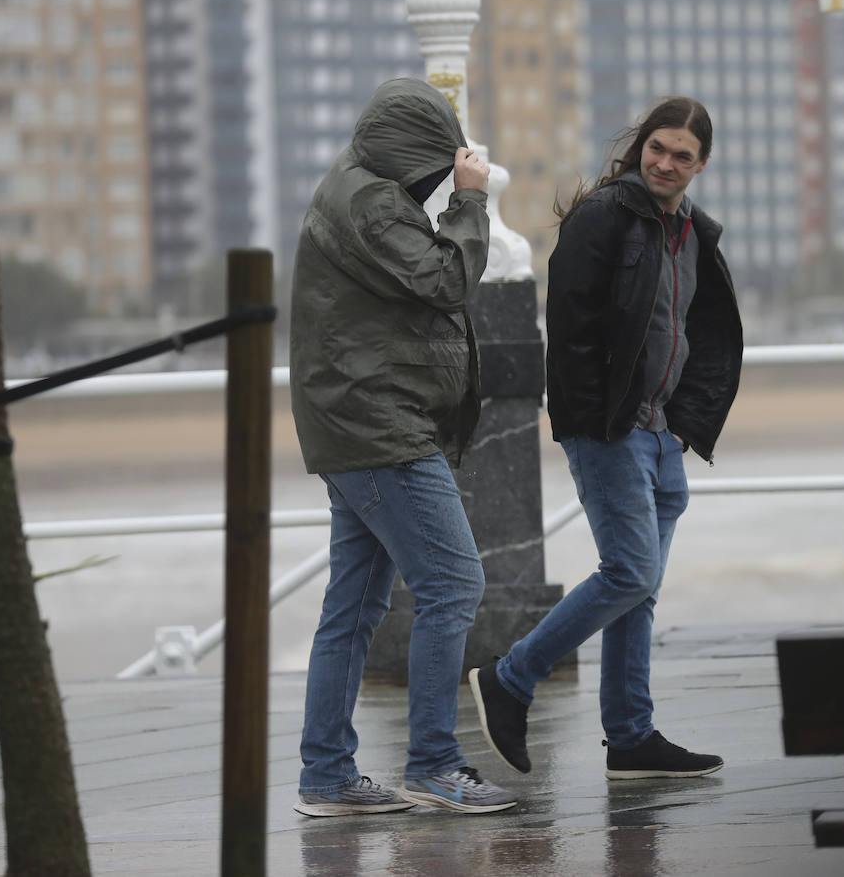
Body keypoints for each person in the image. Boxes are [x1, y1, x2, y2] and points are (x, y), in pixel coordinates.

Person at [469, 96, 743, 780]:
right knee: (628, 571)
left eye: (683, 155)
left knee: (639, 589)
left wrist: (684, 422)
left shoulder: (693, 235)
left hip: (661, 433)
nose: (667, 163)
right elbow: (570, 334)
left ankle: (630, 736)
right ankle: (510, 678)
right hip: (610, 430)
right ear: (640, 146)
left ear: (700, 164)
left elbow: (703, 333)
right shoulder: (604, 218)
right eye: (659, 148)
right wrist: (599, 423)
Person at [288, 78, 515, 816]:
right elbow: (446, 277)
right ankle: (435, 765)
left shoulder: (354, 191)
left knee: (352, 606)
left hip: (358, 422)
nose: (439, 180)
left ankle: (325, 776)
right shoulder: (372, 201)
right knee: (454, 585)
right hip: (378, 426)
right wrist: (471, 198)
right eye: (437, 166)